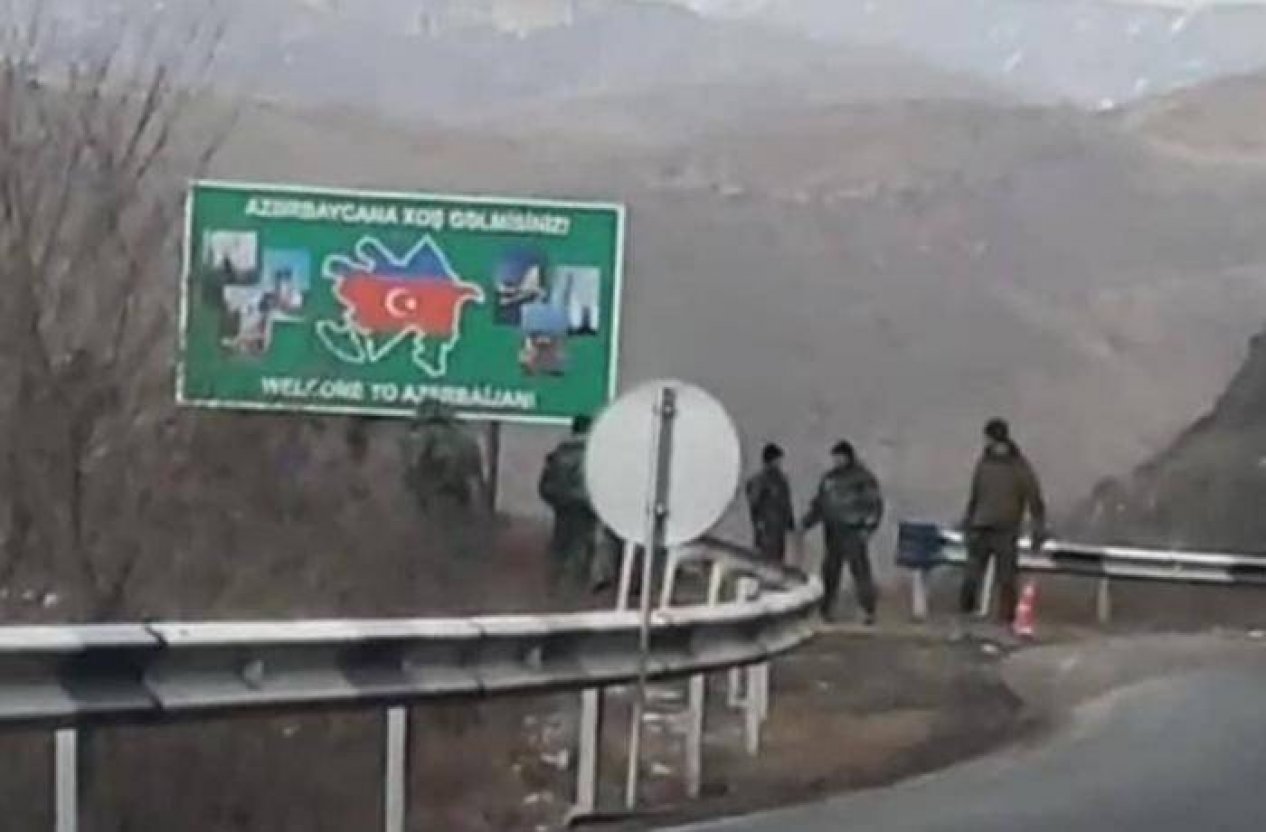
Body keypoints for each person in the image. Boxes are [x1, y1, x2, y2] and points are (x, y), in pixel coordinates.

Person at [959, 418, 1047, 625]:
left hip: (1001, 529)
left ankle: (1003, 620)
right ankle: (970, 616)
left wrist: (1037, 528)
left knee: (1002, 579)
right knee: (976, 577)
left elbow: (1033, 498)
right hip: (986, 527)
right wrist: (968, 522)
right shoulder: (990, 463)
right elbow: (975, 496)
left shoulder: (1011, 465)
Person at [801, 440, 884, 623]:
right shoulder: (829, 479)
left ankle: (868, 610)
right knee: (830, 572)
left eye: (840, 457)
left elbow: (874, 505)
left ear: (848, 457)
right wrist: (805, 523)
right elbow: (820, 504)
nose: (837, 461)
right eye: (835, 457)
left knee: (860, 572)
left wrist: (868, 528)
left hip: (853, 531)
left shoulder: (862, 478)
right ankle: (826, 610)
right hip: (833, 532)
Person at [539, 415, 599, 594]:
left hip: (563, 505)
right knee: (583, 545)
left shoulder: (559, 453)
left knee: (561, 544)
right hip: (586, 506)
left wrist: (557, 499)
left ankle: (553, 585)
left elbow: (545, 485)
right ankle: (576, 589)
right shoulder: (594, 453)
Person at [405, 399, 488, 519]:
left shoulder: (428, 433)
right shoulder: (466, 437)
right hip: (457, 485)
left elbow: (418, 458)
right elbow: (478, 476)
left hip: (447, 480)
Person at [744, 443, 795, 562]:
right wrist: (759, 522)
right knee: (764, 559)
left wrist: (790, 522)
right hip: (766, 529)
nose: (779, 463)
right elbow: (754, 502)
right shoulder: (761, 480)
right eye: (778, 460)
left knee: (778, 559)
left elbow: (786, 503)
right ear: (771, 460)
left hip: (779, 529)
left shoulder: (781, 480)